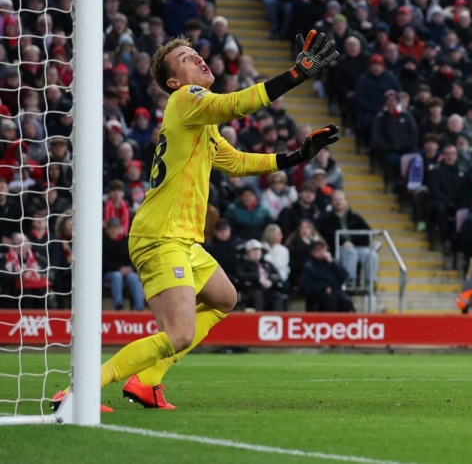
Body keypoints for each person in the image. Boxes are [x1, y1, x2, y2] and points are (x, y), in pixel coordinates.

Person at [55, 30, 338, 413]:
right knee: (179, 332)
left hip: (182, 239)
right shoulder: (185, 99)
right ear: (173, 81)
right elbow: (237, 104)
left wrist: (294, 158)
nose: (200, 59)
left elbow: (235, 162)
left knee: (224, 298)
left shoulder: (200, 121)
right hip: (160, 235)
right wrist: (296, 74)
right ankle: (81, 391)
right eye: (187, 58)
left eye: (196, 53)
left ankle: (147, 381)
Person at [298, 238, 354, 312]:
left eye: (323, 249)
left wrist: (332, 263)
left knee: (346, 301)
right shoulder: (309, 266)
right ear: (312, 252)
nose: (321, 252)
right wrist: (323, 287)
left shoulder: (332, 264)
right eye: (318, 250)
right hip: (318, 293)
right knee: (330, 300)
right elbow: (305, 284)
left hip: (335, 291)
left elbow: (344, 276)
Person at [101, 217, 143, 311]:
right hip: (109, 272)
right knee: (117, 276)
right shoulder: (103, 242)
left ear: (120, 229)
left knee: (133, 277)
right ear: (107, 230)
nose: (114, 231)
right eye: (111, 228)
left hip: (126, 271)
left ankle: (139, 307)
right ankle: (118, 306)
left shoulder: (126, 241)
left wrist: (130, 268)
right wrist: (118, 268)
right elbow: (103, 261)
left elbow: (133, 258)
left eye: (116, 228)